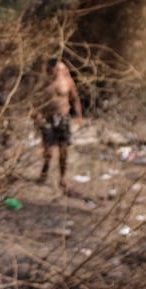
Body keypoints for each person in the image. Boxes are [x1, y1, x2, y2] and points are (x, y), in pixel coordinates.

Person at [38, 57, 83, 192]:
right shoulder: (43, 83)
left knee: (64, 149)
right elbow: (35, 101)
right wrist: (36, 116)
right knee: (48, 150)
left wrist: (79, 115)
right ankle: (45, 170)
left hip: (63, 118)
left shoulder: (67, 82)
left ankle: (62, 177)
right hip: (47, 118)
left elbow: (75, 98)